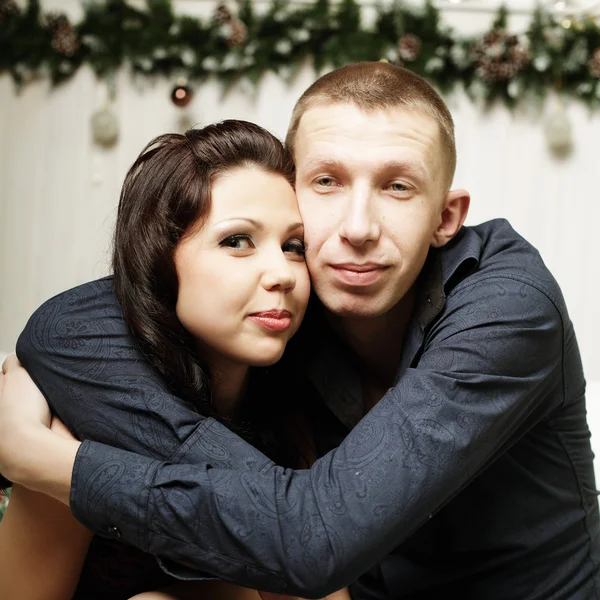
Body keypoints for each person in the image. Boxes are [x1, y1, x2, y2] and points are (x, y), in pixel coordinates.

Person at [0, 62, 598, 599]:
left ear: (446, 217)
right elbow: (63, 328)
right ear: (291, 193)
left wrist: (51, 463)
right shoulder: (283, 293)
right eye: (327, 182)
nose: (358, 227)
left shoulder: (509, 308)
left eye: (397, 186)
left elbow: (311, 541)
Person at [0, 119, 328, 599]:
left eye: (293, 246)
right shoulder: (76, 418)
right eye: (237, 241)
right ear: (159, 258)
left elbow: (313, 557)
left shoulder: (288, 410)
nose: (282, 273)